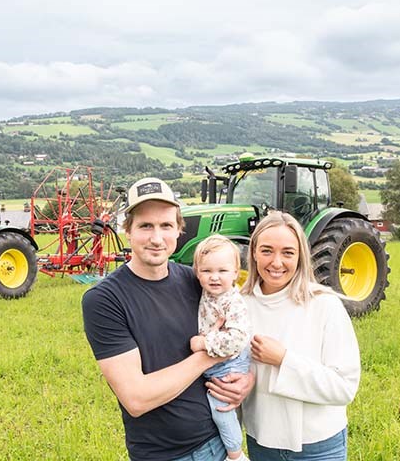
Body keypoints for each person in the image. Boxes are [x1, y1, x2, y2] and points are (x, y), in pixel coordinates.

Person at [82, 177, 254, 461]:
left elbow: (239, 326)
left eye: (166, 226)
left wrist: (247, 379)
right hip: (166, 455)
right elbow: (136, 399)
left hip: (220, 444)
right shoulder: (104, 300)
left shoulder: (194, 281)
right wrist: (211, 353)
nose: (157, 238)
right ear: (128, 231)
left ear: (178, 231)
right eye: (145, 226)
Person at [214, 210, 361, 460]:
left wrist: (284, 360)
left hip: (318, 446)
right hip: (262, 443)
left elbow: (344, 387)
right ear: (253, 254)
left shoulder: (324, 305)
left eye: (288, 253)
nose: (277, 262)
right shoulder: (239, 306)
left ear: (301, 256)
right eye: (267, 251)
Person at [189, 235, 251, 461]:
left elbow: (237, 339)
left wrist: (203, 342)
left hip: (229, 361)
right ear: (197, 272)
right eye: (206, 271)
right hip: (216, 360)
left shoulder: (233, 302)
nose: (214, 277)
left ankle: (235, 455)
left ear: (236, 272)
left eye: (222, 271)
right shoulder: (208, 292)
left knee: (221, 411)